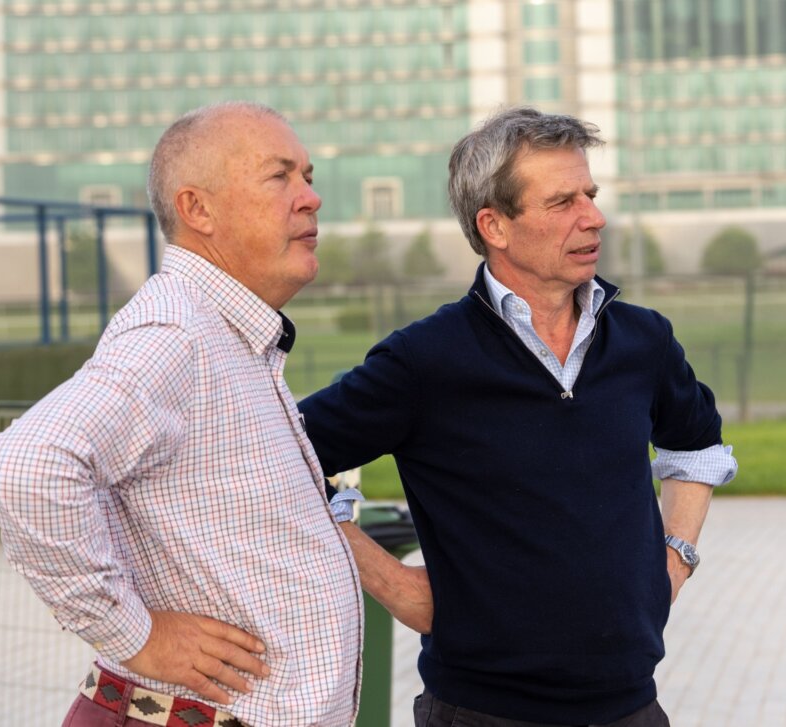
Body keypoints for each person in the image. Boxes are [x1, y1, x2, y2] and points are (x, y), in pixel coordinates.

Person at [300, 107, 738, 727]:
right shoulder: (424, 361)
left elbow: (698, 445)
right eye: (562, 202)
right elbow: (280, 458)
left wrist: (674, 559)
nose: (593, 217)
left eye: (590, 194)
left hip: (633, 708)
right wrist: (397, 587)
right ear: (495, 226)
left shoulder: (644, 341)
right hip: (482, 714)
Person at [0, 102, 368, 727]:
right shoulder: (176, 335)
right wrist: (136, 636)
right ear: (198, 209)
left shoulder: (223, 336)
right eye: (280, 176)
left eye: (309, 175)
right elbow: (27, 467)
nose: (312, 198)